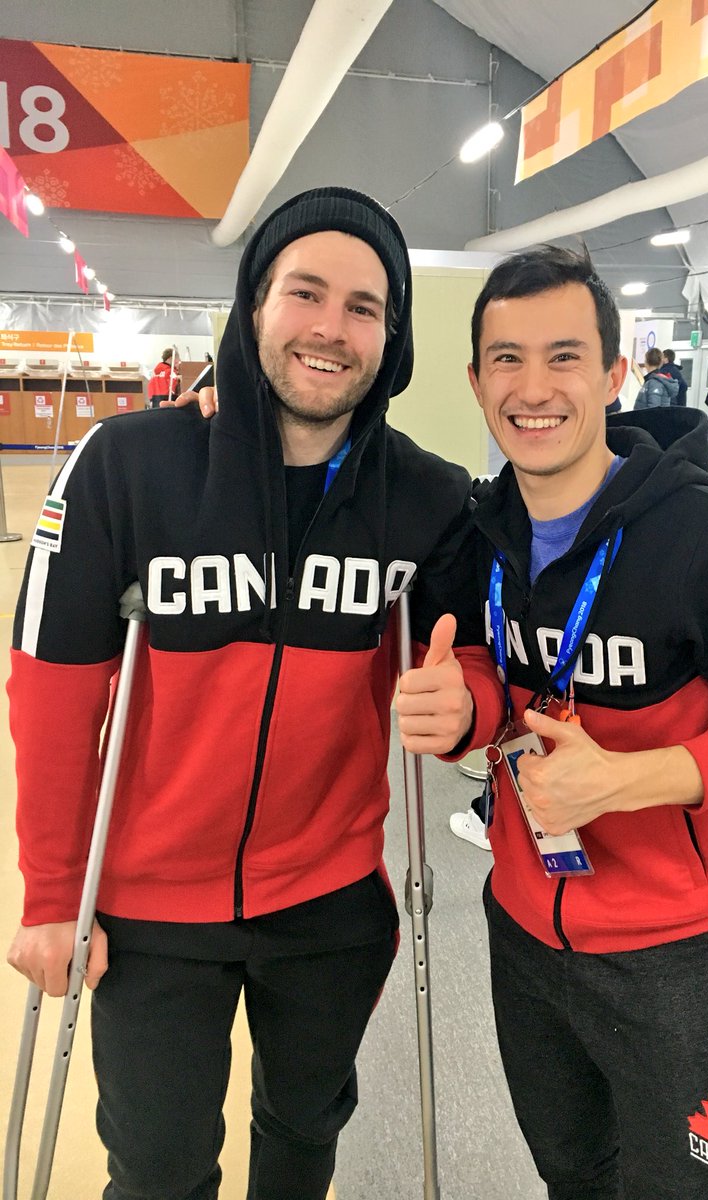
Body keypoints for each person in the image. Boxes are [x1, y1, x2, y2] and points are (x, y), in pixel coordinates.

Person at [5, 187, 500, 1200]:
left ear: (391, 335)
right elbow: (54, 691)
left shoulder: (431, 497)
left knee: (304, 1132)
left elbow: (476, 668)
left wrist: (468, 711)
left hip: (329, 899)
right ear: (255, 306)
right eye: (304, 293)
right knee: (158, 1168)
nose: (331, 327)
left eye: (364, 305)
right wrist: (56, 896)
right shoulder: (127, 465)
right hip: (148, 907)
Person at [427, 244, 708, 1199]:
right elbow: (490, 673)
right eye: (507, 359)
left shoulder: (705, 533)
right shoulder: (481, 530)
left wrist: (625, 779)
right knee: (576, 1176)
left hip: (675, 957)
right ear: (478, 380)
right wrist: (465, 710)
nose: (535, 387)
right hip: (524, 931)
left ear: (615, 372)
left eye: (564, 356)